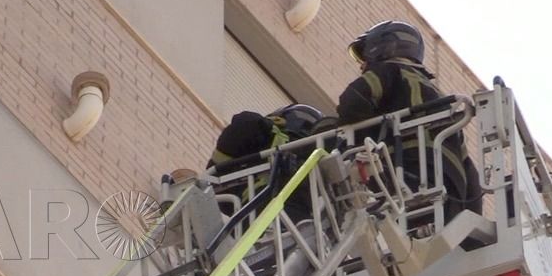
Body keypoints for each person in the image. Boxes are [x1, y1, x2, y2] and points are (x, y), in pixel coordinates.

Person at [337, 20, 482, 220]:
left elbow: (351, 102)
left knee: (329, 135)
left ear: (380, 48)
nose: (362, 66)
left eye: (364, 57)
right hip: (450, 202)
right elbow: (471, 175)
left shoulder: (390, 71)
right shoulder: (446, 105)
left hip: (407, 181)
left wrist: (358, 140)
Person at [207, 103, 325, 220]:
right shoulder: (318, 165)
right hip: (268, 211)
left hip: (250, 209)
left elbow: (243, 124)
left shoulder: (263, 132)